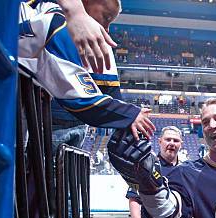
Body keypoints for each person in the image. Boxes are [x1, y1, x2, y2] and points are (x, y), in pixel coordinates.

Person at [18, 0, 155, 139]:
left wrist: (126, 120)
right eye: (106, 17)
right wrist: (129, 114)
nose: (107, 29)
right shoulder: (58, 21)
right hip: (30, 115)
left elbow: (110, 91)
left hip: (30, 109)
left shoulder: (44, 14)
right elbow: (79, 100)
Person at [57, 0, 117, 73]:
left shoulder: (99, 38)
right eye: (106, 17)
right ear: (86, 1)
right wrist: (77, 13)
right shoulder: (55, 23)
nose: (107, 29)